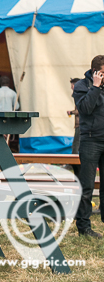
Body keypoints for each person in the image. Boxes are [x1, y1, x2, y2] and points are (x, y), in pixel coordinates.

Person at [73, 55, 104, 238]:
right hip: (91, 141)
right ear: (95, 71)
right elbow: (85, 109)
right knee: (87, 186)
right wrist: (96, 87)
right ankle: (84, 227)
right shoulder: (82, 86)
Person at [68, 78, 81, 179]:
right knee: (76, 145)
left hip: (80, 124)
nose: (71, 87)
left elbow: (81, 109)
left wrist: (72, 112)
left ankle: (76, 166)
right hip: (79, 124)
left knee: (75, 147)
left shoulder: (79, 94)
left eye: (72, 85)